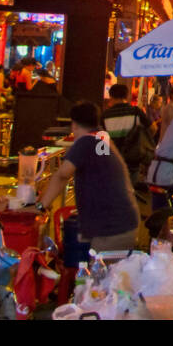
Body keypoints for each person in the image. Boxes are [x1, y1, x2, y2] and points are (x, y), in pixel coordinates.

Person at [35, 103, 141, 252]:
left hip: (111, 230)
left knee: (102, 274)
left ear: (74, 125)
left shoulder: (87, 142)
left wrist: (40, 207)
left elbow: (62, 175)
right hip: (123, 223)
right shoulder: (102, 138)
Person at [103, 83, 155, 181]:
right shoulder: (135, 112)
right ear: (127, 95)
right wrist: (143, 140)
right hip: (133, 159)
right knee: (131, 188)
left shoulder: (105, 116)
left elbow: (101, 143)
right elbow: (153, 128)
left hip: (113, 160)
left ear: (111, 96)